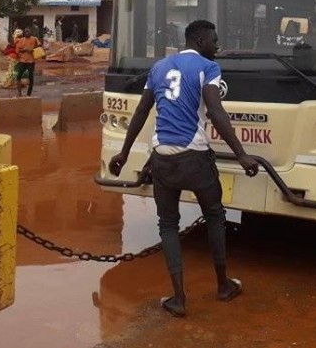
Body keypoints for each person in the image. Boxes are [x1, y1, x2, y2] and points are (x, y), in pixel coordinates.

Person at [108, 19, 259, 317]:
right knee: (215, 215)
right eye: (214, 41)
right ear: (200, 40)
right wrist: (241, 154)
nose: (217, 46)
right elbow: (215, 111)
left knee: (168, 225)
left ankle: (178, 298)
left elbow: (141, 111)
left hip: (163, 158)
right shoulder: (208, 67)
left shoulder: (159, 67)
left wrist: (123, 153)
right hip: (195, 158)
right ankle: (223, 285)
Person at [13, 27, 41, 97]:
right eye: (25, 32)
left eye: (28, 32)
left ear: (30, 32)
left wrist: (33, 50)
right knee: (18, 76)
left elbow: (40, 46)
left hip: (31, 61)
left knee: (31, 78)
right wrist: (26, 50)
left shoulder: (34, 39)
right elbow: (18, 50)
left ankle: (29, 94)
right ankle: (19, 93)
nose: (27, 33)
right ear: (24, 33)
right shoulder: (21, 40)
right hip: (22, 61)